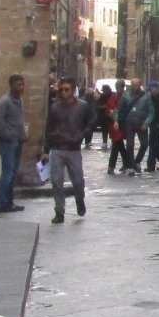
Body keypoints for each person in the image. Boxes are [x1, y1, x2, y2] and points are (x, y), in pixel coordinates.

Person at [46, 77, 94, 223]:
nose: (63, 92)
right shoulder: (54, 107)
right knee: (56, 181)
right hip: (57, 148)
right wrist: (45, 148)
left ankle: (80, 200)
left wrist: (82, 135)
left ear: (73, 91)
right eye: (61, 90)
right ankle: (59, 211)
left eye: (66, 90)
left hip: (73, 149)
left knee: (78, 181)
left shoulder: (83, 106)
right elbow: (48, 128)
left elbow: (91, 121)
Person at [0, 73, 28, 214]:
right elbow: (0, 124)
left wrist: (22, 135)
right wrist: (11, 136)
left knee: (12, 173)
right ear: (11, 85)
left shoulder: (19, 100)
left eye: (22, 84)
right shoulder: (4, 102)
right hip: (8, 143)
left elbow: (19, 121)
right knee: (7, 173)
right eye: (18, 84)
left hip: (17, 141)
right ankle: (1, 203)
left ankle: (9, 202)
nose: (21, 87)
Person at [109, 81, 141, 175]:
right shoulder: (114, 96)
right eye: (116, 86)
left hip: (124, 123)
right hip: (116, 124)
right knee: (118, 144)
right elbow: (112, 108)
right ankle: (126, 165)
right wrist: (113, 116)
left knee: (120, 145)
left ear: (123, 87)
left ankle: (123, 165)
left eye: (118, 87)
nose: (117, 88)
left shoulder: (126, 96)